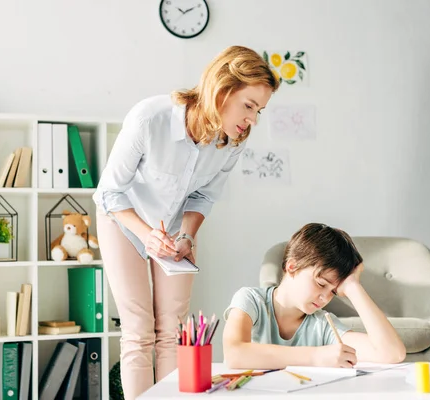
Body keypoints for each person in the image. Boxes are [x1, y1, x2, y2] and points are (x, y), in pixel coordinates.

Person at [93, 45, 280, 399]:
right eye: (249, 106)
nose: (253, 119)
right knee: (138, 330)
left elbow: (203, 196)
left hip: (175, 229)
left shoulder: (234, 140)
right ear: (223, 90)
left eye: (260, 110)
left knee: (173, 329)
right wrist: (147, 234)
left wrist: (188, 237)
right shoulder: (150, 118)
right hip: (123, 221)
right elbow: (109, 193)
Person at [222, 223, 406, 369]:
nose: (325, 298)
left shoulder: (323, 325)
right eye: (321, 284)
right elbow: (234, 354)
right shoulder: (251, 300)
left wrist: (353, 287)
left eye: (333, 292)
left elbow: (391, 353)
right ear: (292, 267)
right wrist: (316, 356)